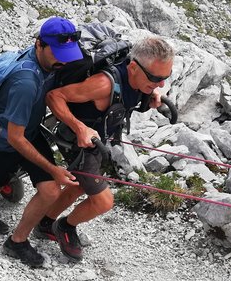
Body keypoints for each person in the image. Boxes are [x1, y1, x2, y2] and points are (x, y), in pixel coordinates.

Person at [41, 35, 174, 261]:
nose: (161, 84)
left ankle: (45, 223)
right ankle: (66, 226)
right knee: (103, 202)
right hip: (79, 143)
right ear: (133, 67)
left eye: (165, 77)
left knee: (79, 186)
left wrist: (149, 97)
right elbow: (54, 97)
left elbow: (124, 101)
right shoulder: (103, 84)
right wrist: (80, 128)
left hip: (99, 141)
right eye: (155, 77)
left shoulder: (140, 82)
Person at [0, 17, 82, 268]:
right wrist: (54, 169)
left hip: (28, 132)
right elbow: (14, 138)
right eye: (57, 53)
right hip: (1, 140)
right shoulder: (26, 81)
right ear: (38, 45)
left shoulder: (48, 63)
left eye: (67, 54)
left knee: (51, 190)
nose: (63, 60)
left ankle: (17, 241)